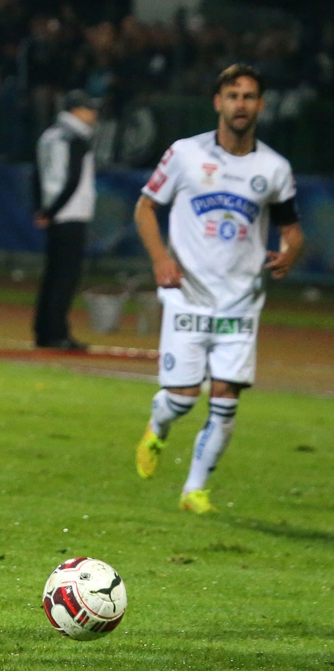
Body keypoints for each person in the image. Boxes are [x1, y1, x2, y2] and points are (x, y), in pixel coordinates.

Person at [134, 64, 304, 514]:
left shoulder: (274, 168)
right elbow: (146, 208)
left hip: (241, 302)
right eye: (233, 96)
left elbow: (292, 229)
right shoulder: (185, 154)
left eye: (249, 97)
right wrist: (161, 259)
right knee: (183, 399)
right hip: (188, 295)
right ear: (218, 102)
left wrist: (289, 253)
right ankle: (158, 425)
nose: (241, 104)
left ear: (260, 105)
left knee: (226, 399)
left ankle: (195, 490)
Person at [32, 89, 99, 350]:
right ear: (75, 111)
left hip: (53, 211)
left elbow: (36, 175)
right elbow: (73, 179)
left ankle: (43, 330)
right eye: (88, 108)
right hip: (71, 212)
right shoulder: (77, 138)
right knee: (66, 277)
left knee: (52, 274)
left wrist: (42, 209)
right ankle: (58, 333)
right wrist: (54, 210)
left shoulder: (49, 135)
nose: (93, 113)